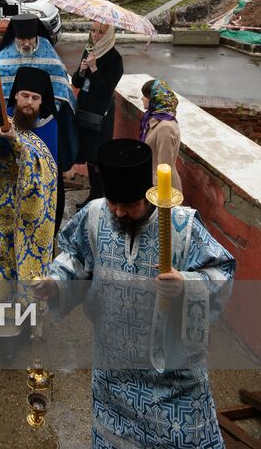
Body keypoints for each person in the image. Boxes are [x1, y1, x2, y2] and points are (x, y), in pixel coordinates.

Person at [33, 138, 235, 449]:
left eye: (130, 205)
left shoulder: (182, 226)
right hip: (113, 377)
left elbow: (221, 272)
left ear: (148, 194)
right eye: (115, 203)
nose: (120, 212)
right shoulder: (96, 215)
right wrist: (56, 281)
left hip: (173, 383)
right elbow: (76, 257)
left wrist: (186, 284)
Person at [0, 14, 78, 229]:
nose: (25, 43)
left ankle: (48, 230)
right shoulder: (3, 58)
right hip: (12, 125)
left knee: (49, 175)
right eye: (21, 39)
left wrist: (46, 111)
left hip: (43, 124)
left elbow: (61, 89)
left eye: (29, 39)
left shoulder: (49, 56)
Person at [0, 67, 57, 281]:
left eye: (35, 98)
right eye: (24, 96)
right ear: (16, 95)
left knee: (24, 252)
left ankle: (25, 302)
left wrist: (15, 141)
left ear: (41, 101)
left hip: (33, 204)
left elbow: (46, 171)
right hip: (1, 193)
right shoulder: (4, 117)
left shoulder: (49, 126)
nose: (29, 102)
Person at [71, 22, 123, 205]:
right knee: (88, 155)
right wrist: (82, 70)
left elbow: (105, 90)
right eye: (93, 31)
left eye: (100, 32)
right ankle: (93, 195)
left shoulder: (114, 59)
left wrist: (94, 68)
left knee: (98, 159)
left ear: (108, 35)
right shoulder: (90, 51)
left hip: (100, 116)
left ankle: (100, 199)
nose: (95, 35)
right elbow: (77, 83)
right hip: (85, 111)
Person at [140, 78, 183, 190]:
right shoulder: (153, 120)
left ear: (154, 99)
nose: (142, 98)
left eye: (145, 96)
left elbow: (164, 167)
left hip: (163, 189)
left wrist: (154, 195)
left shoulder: (165, 128)